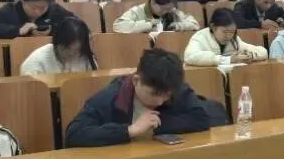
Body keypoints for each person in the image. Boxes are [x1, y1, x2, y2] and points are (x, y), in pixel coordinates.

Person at [65, 48, 213, 147]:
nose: (160, 101)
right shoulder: (111, 97)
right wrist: (130, 130)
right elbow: (74, 135)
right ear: (136, 80)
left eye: (166, 95)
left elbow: (202, 118)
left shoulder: (174, 87)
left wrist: (158, 125)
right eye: (154, 94)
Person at [184, 8, 267, 66]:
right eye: (225, 32)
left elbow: (263, 52)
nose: (228, 36)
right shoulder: (200, 37)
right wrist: (228, 60)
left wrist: (249, 55)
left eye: (232, 32)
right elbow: (190, 56)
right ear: (213, 27)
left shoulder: (234, 41)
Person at [20, 17, 97, 75]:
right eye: (67, 48)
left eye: (76, 50)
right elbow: (30, 88)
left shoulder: (85, 57)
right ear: (56, 43)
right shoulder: (37, 61)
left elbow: (93, 83)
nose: (71, 53)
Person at [112, 0, 199, 34]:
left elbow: (195, 24)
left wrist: (179, 26)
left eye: (168, 9)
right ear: (153, 1)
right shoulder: (137, 11)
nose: (165, 12)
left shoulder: (172, 11)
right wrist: (149, 24)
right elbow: (118, 26)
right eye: (162, 8)